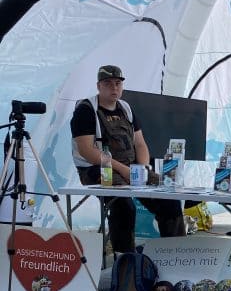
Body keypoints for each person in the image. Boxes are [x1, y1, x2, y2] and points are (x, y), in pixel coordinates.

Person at [70, 64, 185, 254]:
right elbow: (86, 151)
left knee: (169, 199)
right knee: (122, 206)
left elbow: (140, 144)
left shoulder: (126, 108)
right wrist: (124, 170)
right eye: (108, 83)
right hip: (97, 170)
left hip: (131, 169)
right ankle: (125, 264)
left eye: (118, 83)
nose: (114, 88)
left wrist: (144, 168)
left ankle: (175, 256)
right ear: (98, 86)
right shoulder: (86, 110)